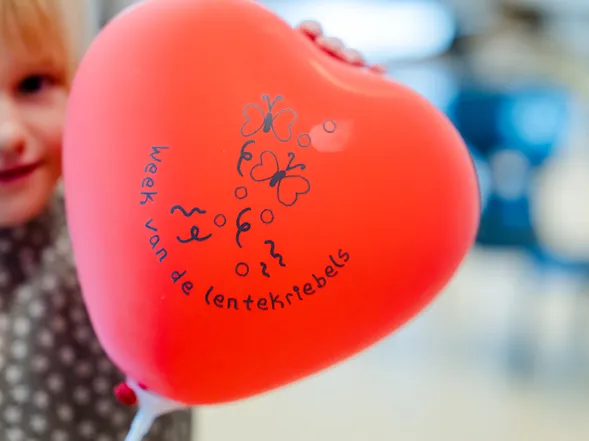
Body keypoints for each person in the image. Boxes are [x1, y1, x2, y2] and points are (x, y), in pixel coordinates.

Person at [0, 0, 382, 439]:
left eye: (33, 84)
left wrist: (317, 93)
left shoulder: (125, 222)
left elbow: (258, 275)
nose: (8, 134)